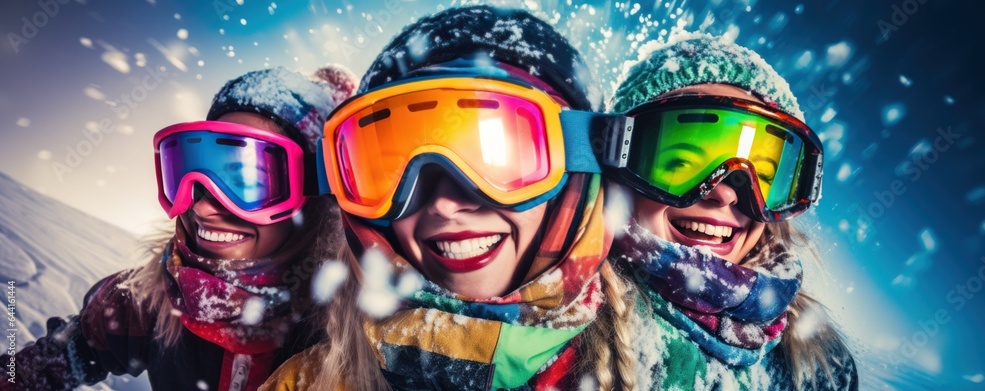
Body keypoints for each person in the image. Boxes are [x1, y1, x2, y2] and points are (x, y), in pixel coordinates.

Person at [262, 6, 637, 390]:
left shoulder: (667, 368)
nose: (444, 203)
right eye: (389, 167)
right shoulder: (306, 383)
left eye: (500, 154)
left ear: (579, 171)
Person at [0, 66, 356, 391]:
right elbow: (46, 364)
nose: (203, 205)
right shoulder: (147, 302)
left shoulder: (351, 338)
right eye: (192, 173)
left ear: (315, 198)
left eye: (247, 180)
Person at [600, 32, 859, 390]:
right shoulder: (564, 319)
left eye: (762, 177)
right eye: (681, 163)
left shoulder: (818, 364)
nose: (725, 194)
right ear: (619, 164)